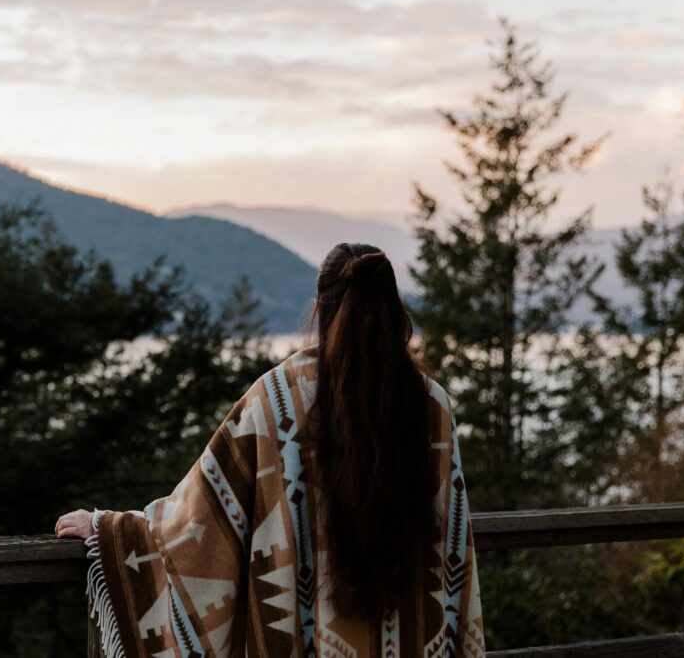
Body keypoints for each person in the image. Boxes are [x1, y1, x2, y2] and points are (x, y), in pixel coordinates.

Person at [56, 243, 485, 657]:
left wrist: (110, 530)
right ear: (393, 307)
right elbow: (452, 542)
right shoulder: (433, 405)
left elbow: (200, 515)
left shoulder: (277, 399)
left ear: (321, 307)